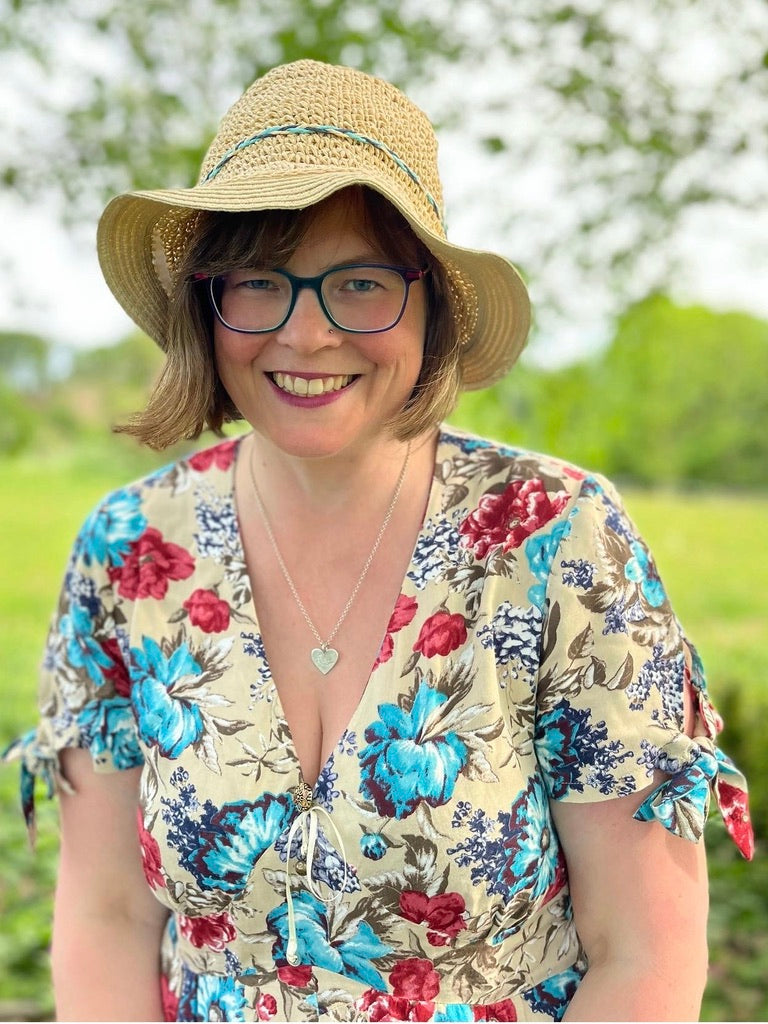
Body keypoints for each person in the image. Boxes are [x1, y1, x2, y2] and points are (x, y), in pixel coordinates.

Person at [5, 59, 753, 1023]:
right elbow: (106, 916)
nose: (307, 335)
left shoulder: (557, 538)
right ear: (207, 305)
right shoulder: (128, 551)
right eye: (260, 282)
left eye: (359, 283)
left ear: (431, 305)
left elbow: (645, 953)